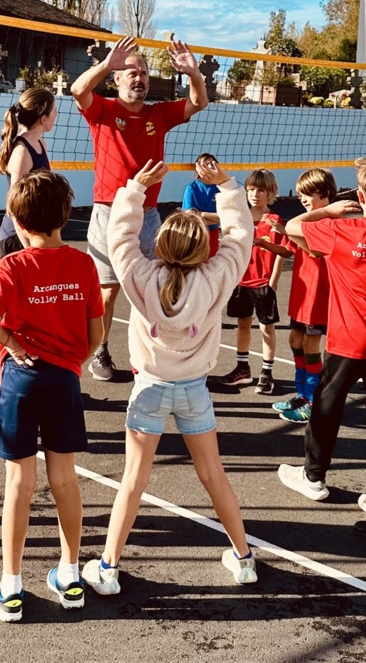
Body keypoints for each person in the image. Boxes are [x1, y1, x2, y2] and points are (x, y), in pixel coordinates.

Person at [82, 158, 258, 596]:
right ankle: (244, 558)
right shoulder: (219, 276)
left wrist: (134, 189)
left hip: (149, 390)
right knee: (214, 474)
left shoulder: (141, 274)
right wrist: (227, 186)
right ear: (203, 250)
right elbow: (240, 236)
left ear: (159, 244)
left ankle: (108, 568)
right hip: (194, 391)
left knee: (134, 480)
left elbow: (119, 238)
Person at [0, 171, 104, 622]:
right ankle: (70, 577)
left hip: (22, 378)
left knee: (20, 484)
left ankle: (10, 588)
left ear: (15, 219)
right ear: (64, 217)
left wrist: (18, 346)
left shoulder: (9, 266)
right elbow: (97, 333)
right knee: (66, 481)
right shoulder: (84, 264)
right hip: (63, 379)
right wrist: (71, 362)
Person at [277, 158, 366, 506]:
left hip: (346, 342)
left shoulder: (341, 231)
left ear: (359, 196)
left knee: (327, 411)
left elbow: (291, 224)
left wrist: (330, 211)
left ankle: (313, 477)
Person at [70, 33, 208, 382]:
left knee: (150, 287)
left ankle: (147, 354)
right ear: (117, 79)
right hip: (108, 212)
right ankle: (99, 352)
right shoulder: (103, 109)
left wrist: (194, 73)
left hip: (147, 215)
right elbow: (77, 91)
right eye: (131, 72)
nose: (139, 78)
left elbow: (198, 103)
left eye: (143, 73)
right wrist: (106, 64)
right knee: (107, 289)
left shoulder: (158, 114)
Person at [209, 168, 292, 395]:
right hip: (241, 281)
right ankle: (243, 369)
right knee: (243, 324)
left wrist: (273, 281)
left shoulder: (273, 220)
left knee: (266, 327)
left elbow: (282, 252)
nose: (255, 194)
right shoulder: (241, 217)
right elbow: (218, 217)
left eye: (261, 190)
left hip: (263, 283)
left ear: (270, 193)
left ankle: (267, 373)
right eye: (252, 189)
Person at [273, 167, 338, 422]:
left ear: (323, 193)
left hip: (317, 297)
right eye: (300, 194)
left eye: (307, 194)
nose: (302, 199)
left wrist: (288, 230)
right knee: (294, 341)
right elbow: (288, 250)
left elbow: (316, 252)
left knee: (311, 345)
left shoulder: (329, 223)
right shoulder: (302, 221)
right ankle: (302, 393)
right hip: (302, 296)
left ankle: (313, 400)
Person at [0, 87, 57, 256]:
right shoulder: (22, 152)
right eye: (55, 111)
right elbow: (14, 207)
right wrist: (28, 246)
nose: (57, 116)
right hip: (18, 236)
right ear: (43, 119)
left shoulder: (41, 144)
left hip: (37, 232)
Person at [182, 151, 222, 258]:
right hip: (195, 233)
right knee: (193, 260)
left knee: (211, 262)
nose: (209, 166)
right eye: (206, 164)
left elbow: (226, 216)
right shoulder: (191, 188)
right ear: (198, 169)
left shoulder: (221, 187)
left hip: (213, 232)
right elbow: (189, 215)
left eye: (212, 163)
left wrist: (201, 214)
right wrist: (215, 217)